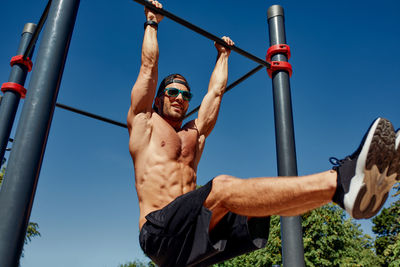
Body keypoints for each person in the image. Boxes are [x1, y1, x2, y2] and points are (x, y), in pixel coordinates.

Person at [127, 1, 400, 266]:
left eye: (185, 95)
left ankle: (344, 193)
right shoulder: (145, 122)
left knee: (255, 205)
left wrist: (223, 56)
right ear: (158, 97)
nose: (179, 98)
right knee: (221, 187)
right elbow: (148, 69)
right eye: (172, 92)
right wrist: (151, 22)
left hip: (193, 235)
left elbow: (215, 93)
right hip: (158, 232)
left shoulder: (194, 134)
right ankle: (342, 180)